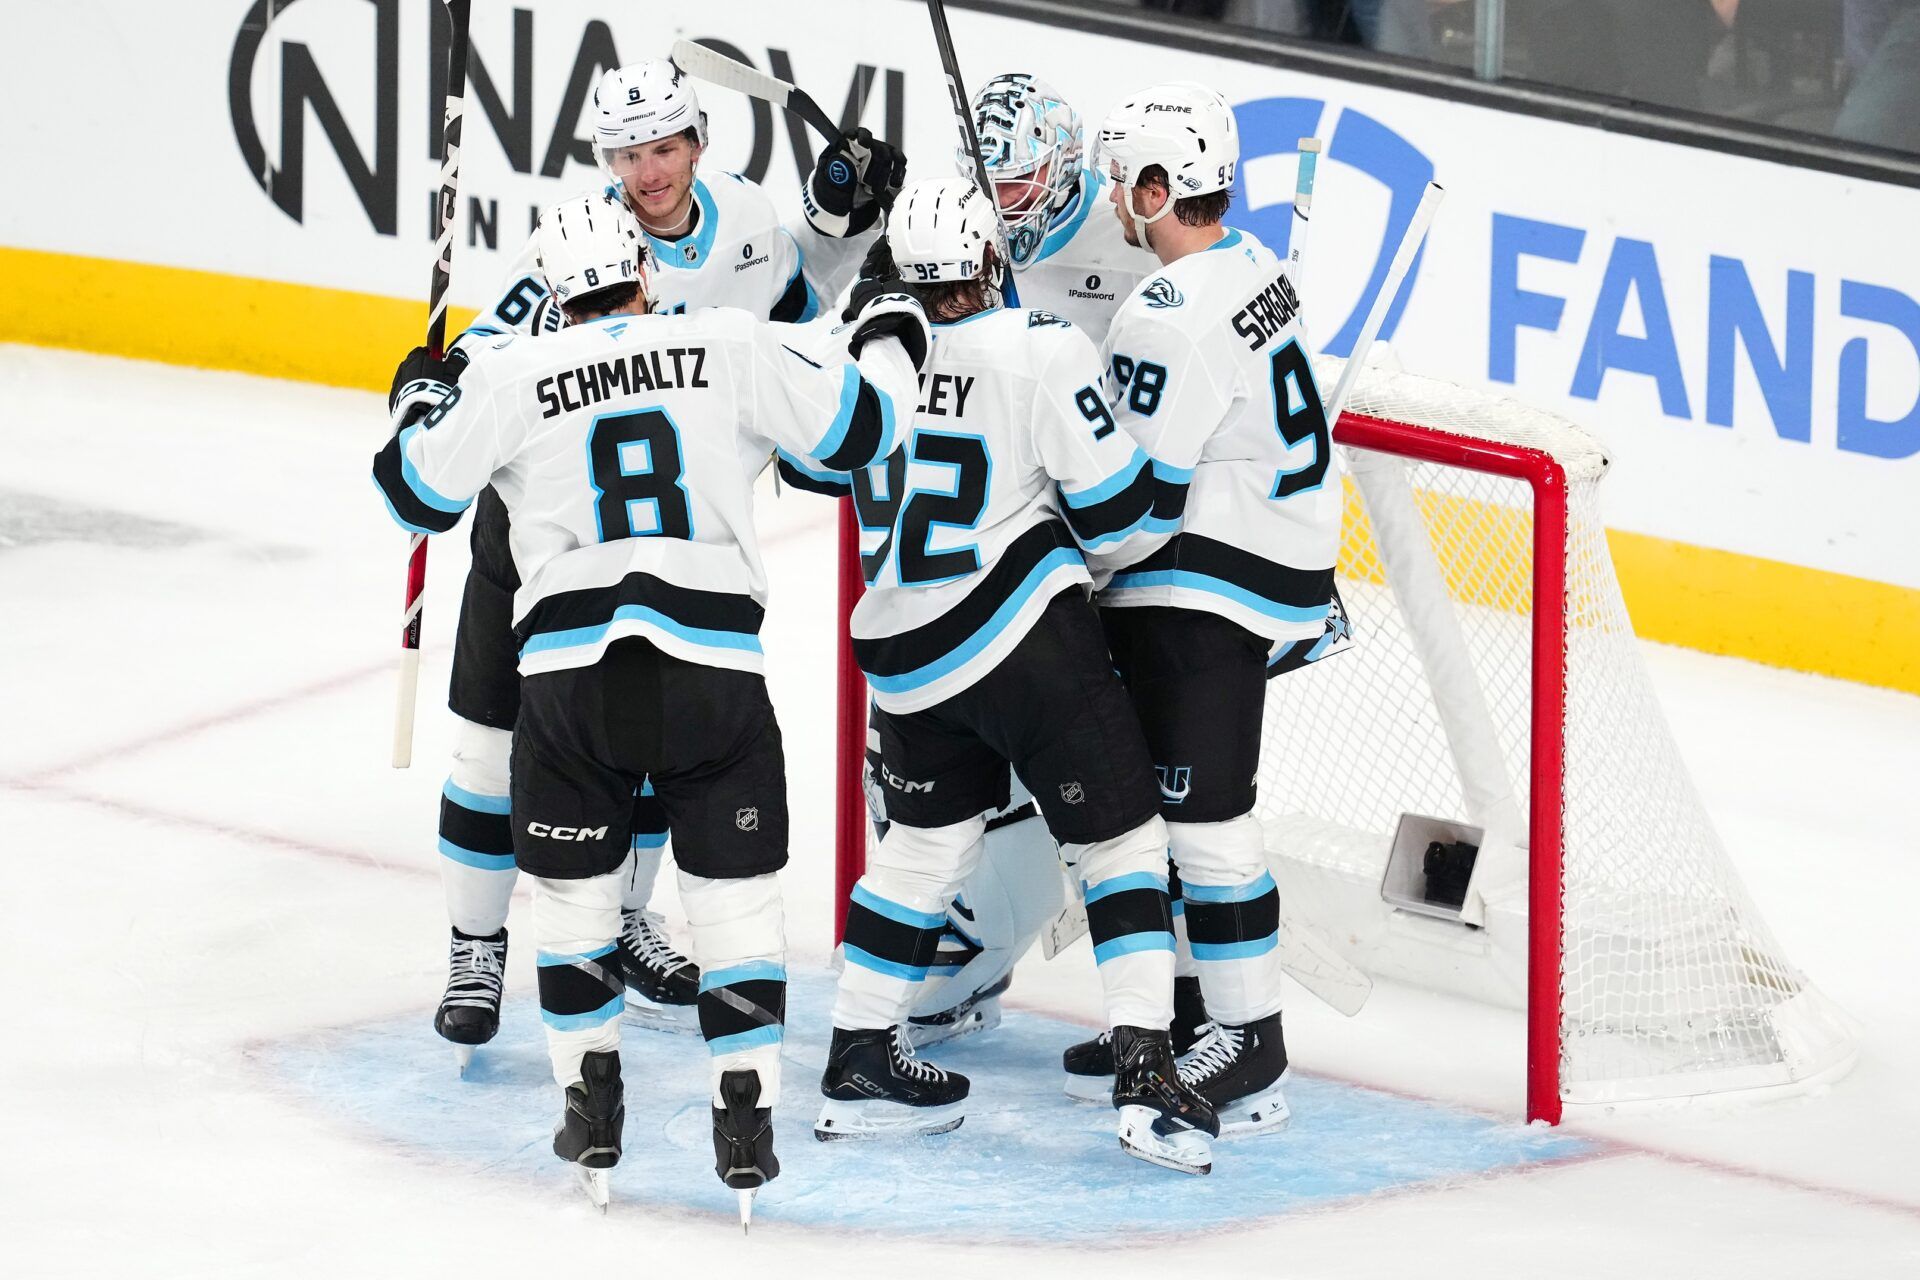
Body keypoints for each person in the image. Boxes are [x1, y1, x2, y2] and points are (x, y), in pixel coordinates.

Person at [372, 192, 928, 1209]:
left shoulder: (508, 372)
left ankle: (590, 1098)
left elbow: (411, 493)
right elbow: (864, 431)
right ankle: (744, 1105)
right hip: (712, 677)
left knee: (578, 905)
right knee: (736, 909)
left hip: (568, 688)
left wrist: (416, 394)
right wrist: (892, 322)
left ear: (553, 291)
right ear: (641, 268)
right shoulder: (723, 342)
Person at [798, 175, 1220, 1175]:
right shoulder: (1042, 348)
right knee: (1120, 840)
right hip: (1024, 640)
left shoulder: (857, 356)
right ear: (989, 257)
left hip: (903, 657)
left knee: (922, 850)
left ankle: (859, 1050)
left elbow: (809, 464)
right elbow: (1119, 521)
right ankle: (1146, 1066)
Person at [1071, 80, 1345, 1138]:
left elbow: (1135, 505)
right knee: (1160, 811)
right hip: (1273, 554)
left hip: (1211, 579)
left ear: (1157, 187)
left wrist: (1057, 569)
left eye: (1123, 181)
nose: (1112, 198)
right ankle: (1179, 1012)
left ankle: (1250, 1038)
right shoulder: (1256, 264)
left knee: (1204, 816)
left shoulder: (1166, 310)